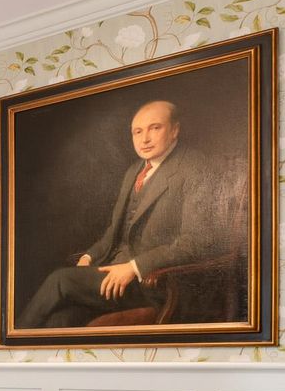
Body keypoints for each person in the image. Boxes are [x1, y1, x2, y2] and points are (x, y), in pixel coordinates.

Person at [19, 100, 219, 329]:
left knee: (60, 280)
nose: (144, 139)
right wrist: (89, 257)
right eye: (138, 131)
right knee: (61, 319)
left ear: (175, 130)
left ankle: (10, 340)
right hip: (114, 274)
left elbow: (196, 242)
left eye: (155, 128)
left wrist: (134, 267)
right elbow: (115, 232)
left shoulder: (195, 167)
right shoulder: (135, 170)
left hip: (153, 283)